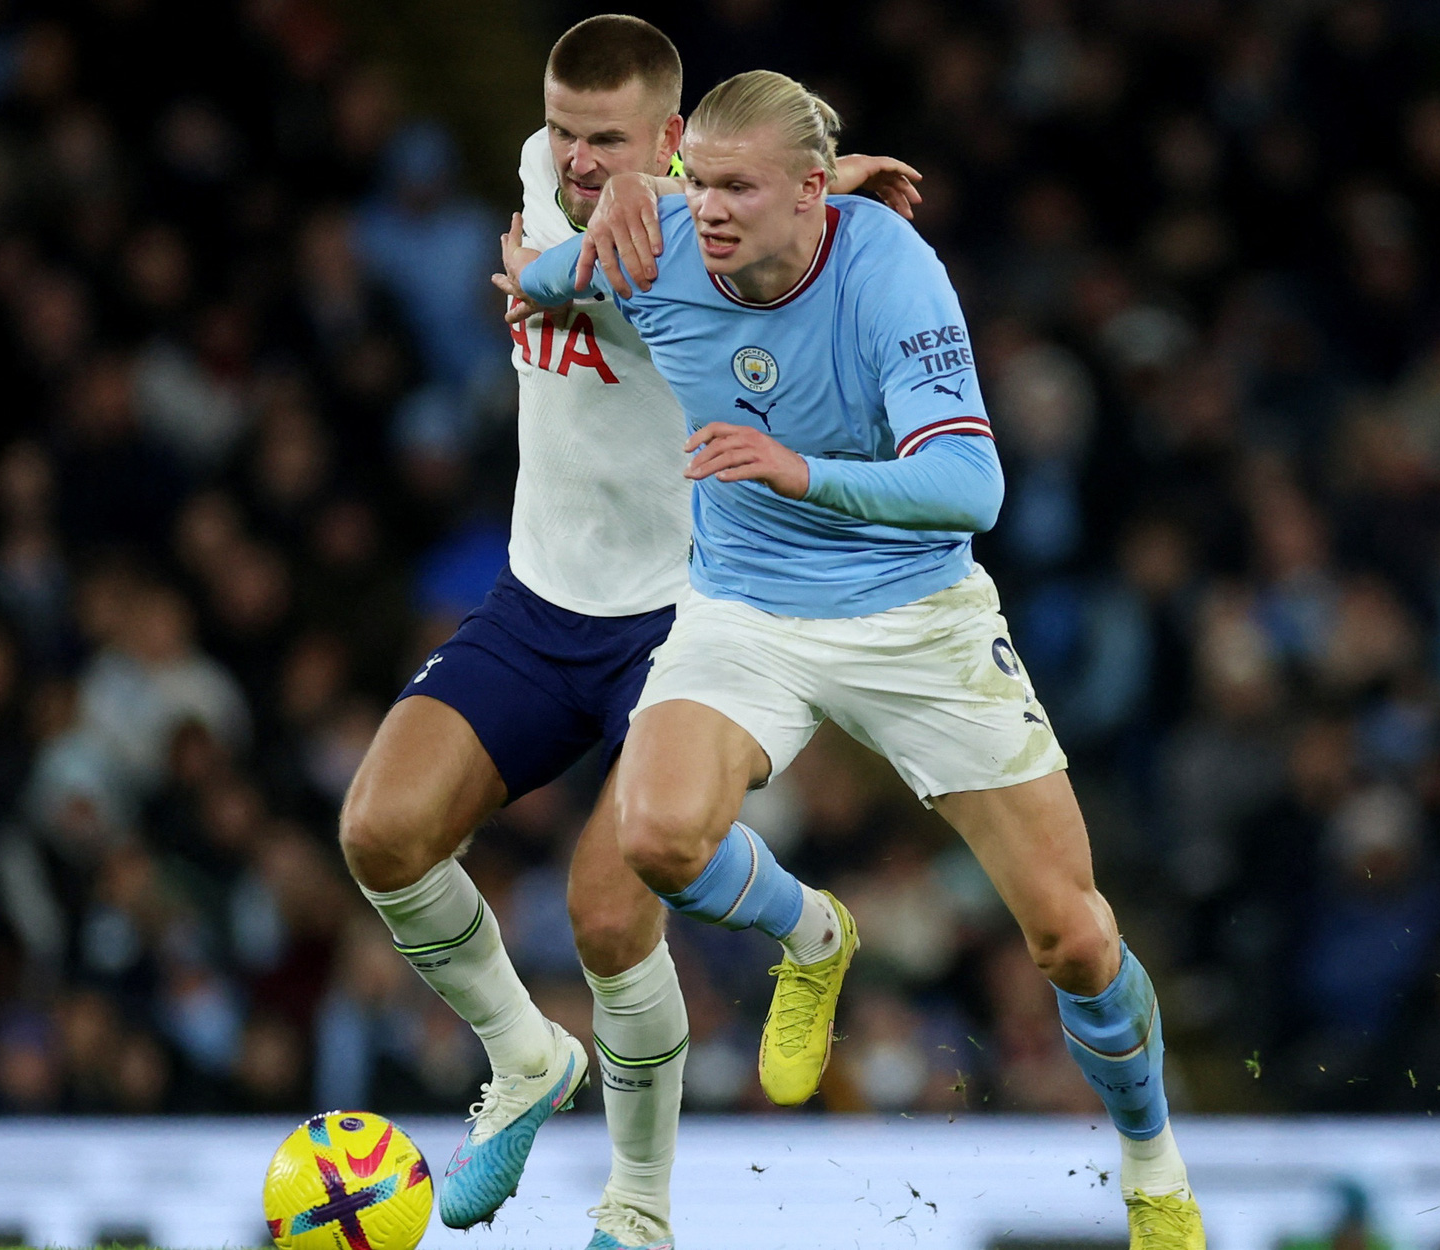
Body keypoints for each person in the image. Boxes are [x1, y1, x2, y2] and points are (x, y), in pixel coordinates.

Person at [505, 70, 1206, 1247]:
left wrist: (798, 471)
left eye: (738, 188)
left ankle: (1152, 1168)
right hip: (745, 612)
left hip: (912, 611)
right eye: (697, 182)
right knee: (655, 835)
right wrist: (537, 259)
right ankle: (812, 932)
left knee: (1073, 937)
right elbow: (534, 272)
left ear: (812, 195)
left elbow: (970, 485)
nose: (707, 210)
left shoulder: (888, 269)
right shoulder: (654, 236)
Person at [335, 17, 921, 1250]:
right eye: (563, 128)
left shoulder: (713, 244)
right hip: (542, 597)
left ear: (667, 140)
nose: (576, 157)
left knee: (612, 912)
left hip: (689, 615)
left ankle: (641, 1205)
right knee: (380, 830)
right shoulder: (539, 176)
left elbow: (739, 259)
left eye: (607, 140)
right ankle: (523, 1053)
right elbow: (559, 233)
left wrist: (826, 207)